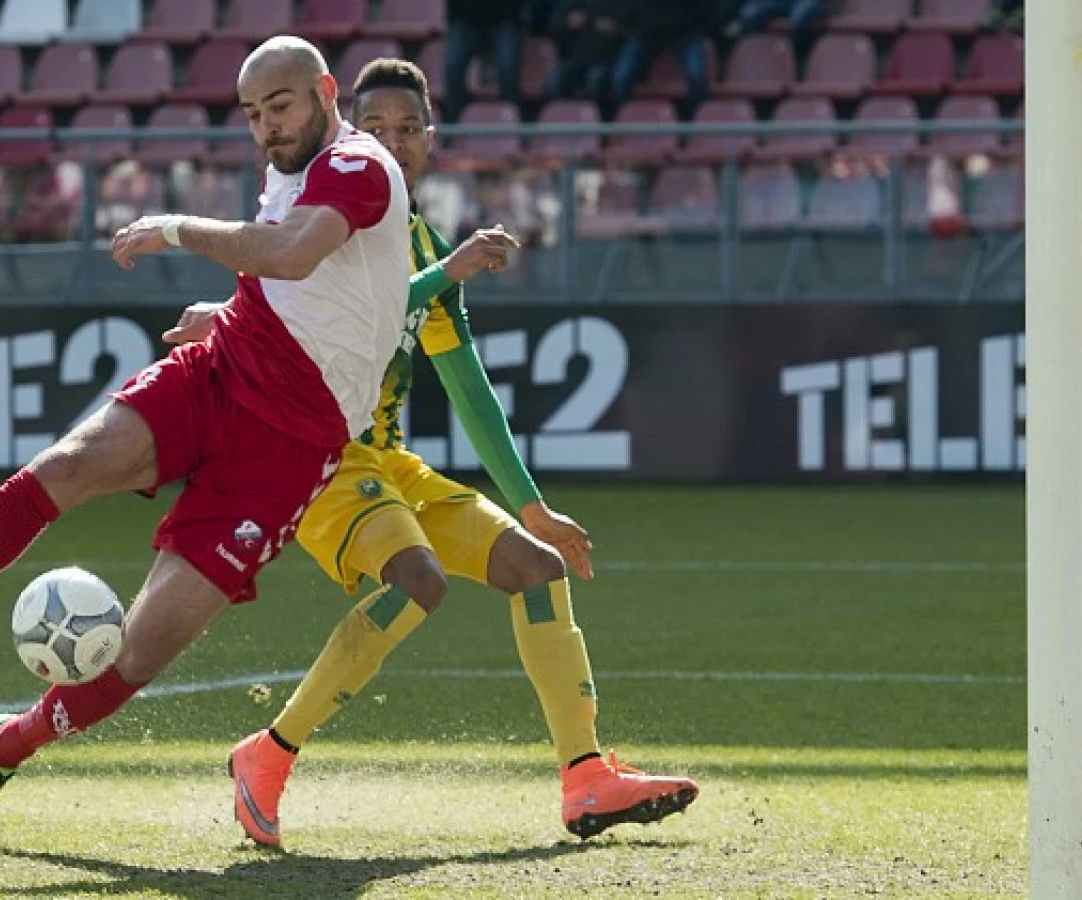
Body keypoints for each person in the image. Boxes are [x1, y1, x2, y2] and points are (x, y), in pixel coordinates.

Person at [0, 36, 437, 845]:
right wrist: (227, 314)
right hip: (221, 373)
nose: (267, 127)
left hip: (289, 448)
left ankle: (2, 748)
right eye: (253, 115)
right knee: (68, 466)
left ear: (327, 91)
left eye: (282, 106)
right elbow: (328, 298)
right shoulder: (292, 165)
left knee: (140, 652)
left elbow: (293, 256)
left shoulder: (358, 166)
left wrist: (177, 228)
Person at [168, 58, 698, 847]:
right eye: (375, 127)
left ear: (430, 140)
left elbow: (468, 385)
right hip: (318, 459)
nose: (393, 142)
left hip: (386, 463)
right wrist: (443, 274)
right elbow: (340, 297)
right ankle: (268, 755)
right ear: (346, 127)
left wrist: (531, 505)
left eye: (408, 129)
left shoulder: (418, 239)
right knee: (417, 579)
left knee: (535, 568)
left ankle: (586, 777)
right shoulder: (324, 210)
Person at [444, 0, 526, 123]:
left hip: (505, 18)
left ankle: (514, 120)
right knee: (453, 66)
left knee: (508, 68)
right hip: (466, 17)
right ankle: (453, 123)